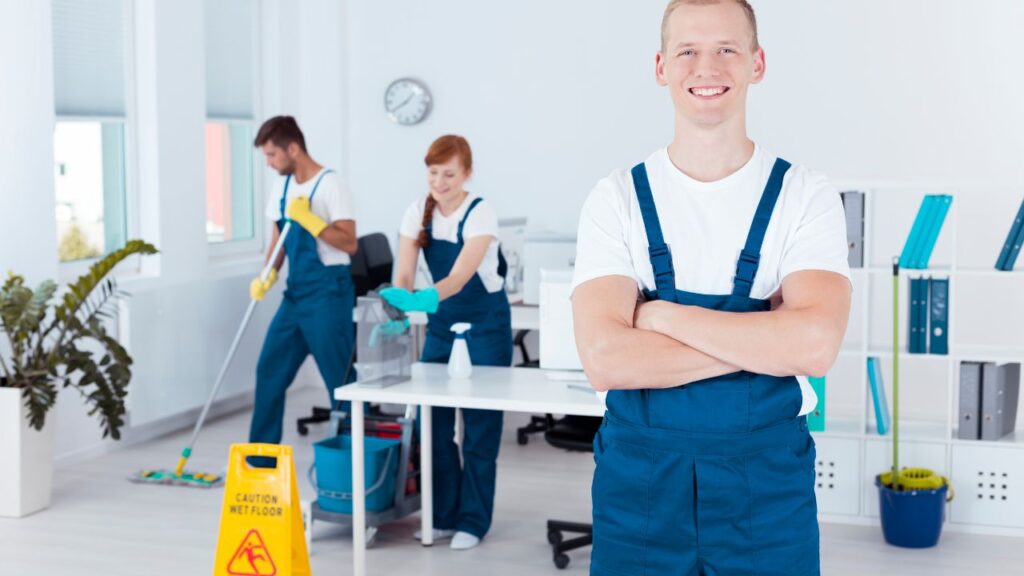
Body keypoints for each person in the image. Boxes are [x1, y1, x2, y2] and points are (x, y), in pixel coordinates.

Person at [571, 1, 852, 574]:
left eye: (727, 49)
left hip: (766, 488)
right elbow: (605, 360)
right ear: (660, 67)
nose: (708, 67)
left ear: (757, 63)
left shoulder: (806, 195)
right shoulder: (616, 198)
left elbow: (815, 347)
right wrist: (763, 341)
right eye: (688, 51)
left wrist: (661, 318)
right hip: (640, 487)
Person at [381, 135, 512, 551]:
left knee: (479, 427)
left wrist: (426, 297)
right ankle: (442, 515)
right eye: (434, 172)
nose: (440, 181)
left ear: (467, 174)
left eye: (449, 174)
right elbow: (403, 273)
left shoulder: (480, 213)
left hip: (485, 327)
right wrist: (399, 306)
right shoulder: (415, 211)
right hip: (441, 327)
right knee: (430, 425)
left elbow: (458, 277)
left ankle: (473, 521)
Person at [248, 116, 358, 463]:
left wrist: (312, 220)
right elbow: (278, 240)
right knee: (269, 371)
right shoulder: (280, 187)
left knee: (339, 380)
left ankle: (356, 458)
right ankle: (260, 462)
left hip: (329, 294)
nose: (269, 162)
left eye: (271, 155)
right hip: (296, 295)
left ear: (292, 148)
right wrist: (267, 274)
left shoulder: (330, 184)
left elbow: (349, 242)